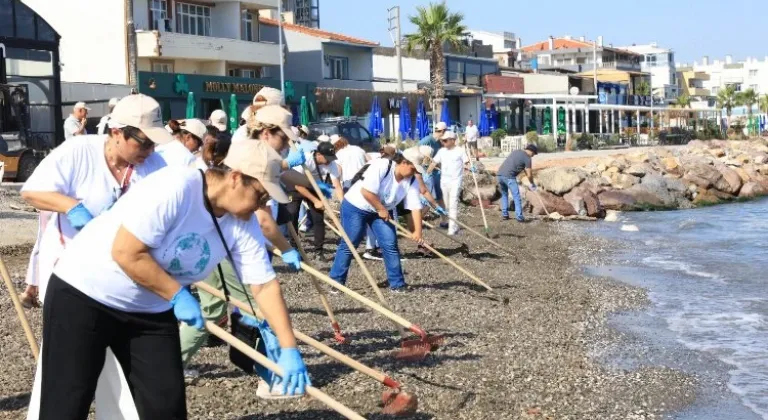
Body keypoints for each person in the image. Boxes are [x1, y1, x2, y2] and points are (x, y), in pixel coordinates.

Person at [36, 138, 311, 419]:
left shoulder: (243, 223)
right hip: (85, 293)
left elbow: (264, 285)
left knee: (165, 406)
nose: (261, 206)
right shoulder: (177, 187)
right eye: (260, 195)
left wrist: (289, 347)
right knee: (67, 402)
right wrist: (177, 295)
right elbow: (127, 252)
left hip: (149, 310)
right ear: (236, 178)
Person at [22, 94, 172, 420]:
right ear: (117, 132)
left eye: (154, 144)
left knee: (119, 369)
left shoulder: (155, 166)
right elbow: (31, 191)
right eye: (143, 143)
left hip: (125, 276)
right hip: (72, 276)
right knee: (67, 370)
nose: (149, 151)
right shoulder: (79, 151)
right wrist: (71, 206)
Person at [329, 148, 425, 292]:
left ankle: (397, 284)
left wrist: (417, 232)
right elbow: (366, 191)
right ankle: (336, 282)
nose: (414, 173)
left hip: (381, 210)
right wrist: (380, 209)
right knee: (350, 243)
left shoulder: (411, 181)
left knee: (390, 244)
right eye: (413, 169)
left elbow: (415, 207)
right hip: (357, 206)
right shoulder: (383, 166)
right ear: (404, 162)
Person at [427, 131, 472, 235]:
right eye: (442, 141)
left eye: (445, 140)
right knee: (446, 205)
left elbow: (466, 162)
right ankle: (454, 224)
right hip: (444, 181)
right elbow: (434, 162)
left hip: (456, 181)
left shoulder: (460, 151)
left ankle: (452, 228)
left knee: (453, 204)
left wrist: (471, 167)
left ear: (453, 140)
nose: (443, 142)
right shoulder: (442, 151)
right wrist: (427, 173)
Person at [497, 144, 538, 222]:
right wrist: (532, 183)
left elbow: (523, 169)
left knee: (504, 194)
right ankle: (519, 217)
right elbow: (529, 174)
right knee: (516, 196)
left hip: (500, 175)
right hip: (509, 177)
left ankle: (505, 214)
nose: (533, 156)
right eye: (533, 154)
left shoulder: (516, 152)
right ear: (531, 151)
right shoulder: (527, 158)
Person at [419, 121, 447, 217]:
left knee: (439, 195)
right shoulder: (427, 140)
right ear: (442, 131)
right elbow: (416, 151)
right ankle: (418, 219)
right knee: (427, 198)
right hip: (426, 173)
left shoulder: (440, 143)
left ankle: (444, 217)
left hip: (436, 172)